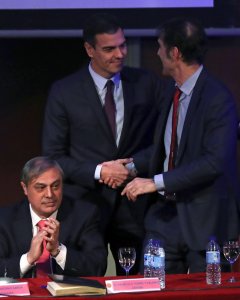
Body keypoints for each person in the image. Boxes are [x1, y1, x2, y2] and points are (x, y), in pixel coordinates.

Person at [42, 13, 163, 274]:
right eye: (109, 48)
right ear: (89, 49)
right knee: (83, 283)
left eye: (122, 45)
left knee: (136, 284)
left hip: (134, 205)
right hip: (85, 205)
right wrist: (100, 171)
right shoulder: (64, 92)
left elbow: (164, 142)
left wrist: (132, 166)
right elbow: (53, 156)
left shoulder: (147, 83)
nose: (119, 54)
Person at [122, 17, 240, 273]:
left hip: (204, 222)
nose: (157, 52)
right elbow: (165, 150)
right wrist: (130, 167)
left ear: (174, 53)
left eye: (160, 46)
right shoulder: (171, 92)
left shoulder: (218, 100)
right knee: (151, 287)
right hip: (163, 218)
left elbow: (214, 162)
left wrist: (155, 182)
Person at [0, 156, 107, 278]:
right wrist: (29, 259)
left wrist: (58, 251)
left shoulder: (84, 214)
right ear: (25, 188)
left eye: (55, 186)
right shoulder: (4, 219)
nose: (50, 194)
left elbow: (98, 266)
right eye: (41, 188)